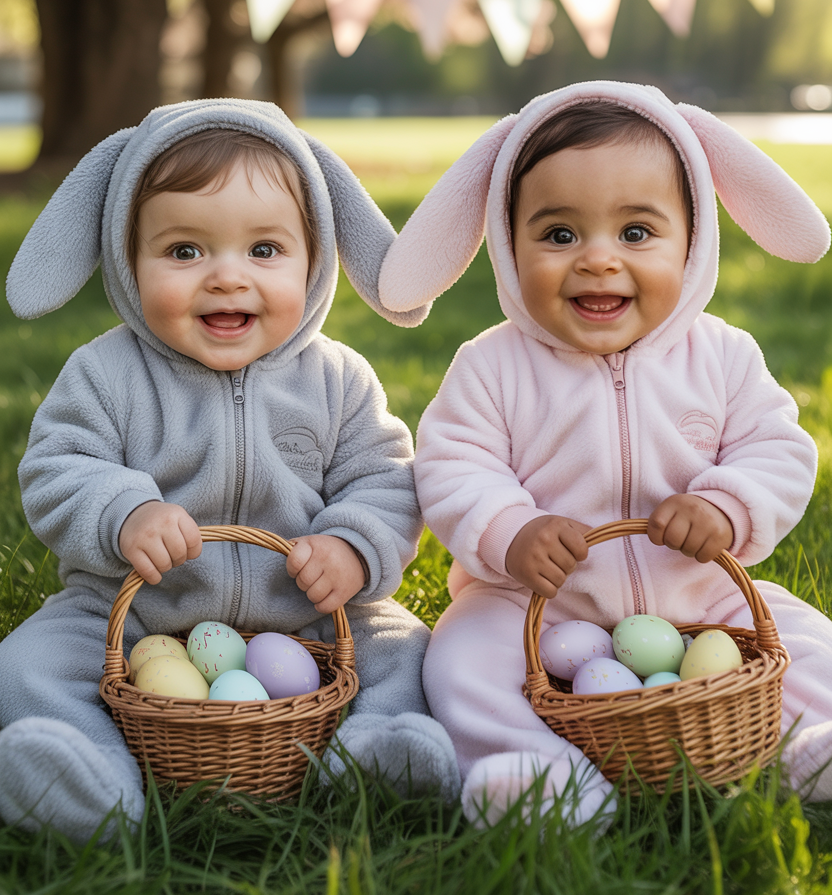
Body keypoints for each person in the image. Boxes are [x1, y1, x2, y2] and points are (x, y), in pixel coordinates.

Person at [0, 98, 460, 844]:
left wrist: (351, 546)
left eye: (265, 251)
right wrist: (123, 513)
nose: (225, 278)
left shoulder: (339, 379)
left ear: (316, 258)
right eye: (184, 251)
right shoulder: (105, 374)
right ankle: (83, 775)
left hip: (311, 611)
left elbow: (386, 476)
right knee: (24, 665)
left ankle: (380, 751)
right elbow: (56, 466)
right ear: (125, 254)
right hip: (134, 612)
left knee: (408, 652)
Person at [374, 80, 832, 827]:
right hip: (532, 606)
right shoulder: (492, 365)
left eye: (636, 233)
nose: (597, 261)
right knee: (459, 662)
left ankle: (808, 745)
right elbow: (454, 464)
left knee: (804, 641)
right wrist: (510, 531)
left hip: (697, 594)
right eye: (558, 235)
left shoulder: (721, 356)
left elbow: (777, 447)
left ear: (694, 238)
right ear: (505, 239)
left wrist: (726, 504)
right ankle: (533, 774)